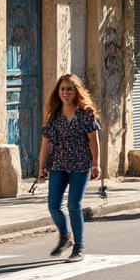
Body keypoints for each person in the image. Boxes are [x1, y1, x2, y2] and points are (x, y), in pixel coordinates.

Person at [37, 73, 101, 263]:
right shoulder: (54, 116)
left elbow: (93, 140)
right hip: (58, 164)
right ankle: (65, 236)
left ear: (76, 91)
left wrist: (96, 163)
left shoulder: (86, 113)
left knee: (74, 205)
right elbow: (46, 143)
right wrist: (41, 167)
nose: (66, 92)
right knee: (54, 205)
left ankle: (79, 246)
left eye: (69, 89)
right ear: (58, 92)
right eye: (63, 89)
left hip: (80, 165)